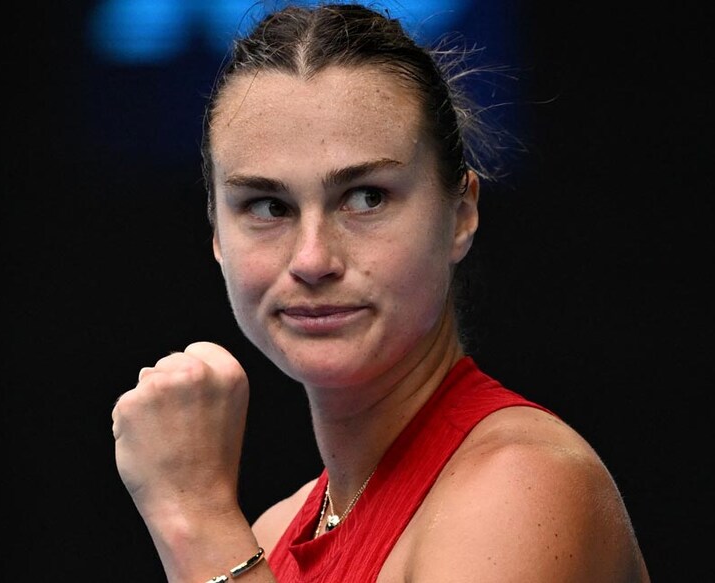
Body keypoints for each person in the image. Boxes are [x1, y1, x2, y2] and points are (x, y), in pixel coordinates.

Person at [112, 3, 651, 581]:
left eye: (366, 197)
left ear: (462, 212)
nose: (313, 259)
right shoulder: (269, 538)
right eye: (268, 207)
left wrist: (194, 519)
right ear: (217, 233)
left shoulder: (524, 485)